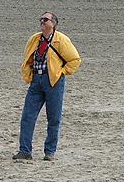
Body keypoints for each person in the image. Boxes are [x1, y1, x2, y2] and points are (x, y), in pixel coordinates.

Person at [13, 12, 81, 161]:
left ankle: (50, 151)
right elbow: (28, 58)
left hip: (53, 81)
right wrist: (29, 74)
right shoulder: (34, 39)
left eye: (45, 19)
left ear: (53, 24)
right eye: (41, 19)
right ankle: (24, 151)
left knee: (53, 117)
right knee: (27, 116)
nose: (42, 22)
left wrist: (61, 72)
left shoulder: (61, 40)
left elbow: (75, 60)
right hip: (36, 80)